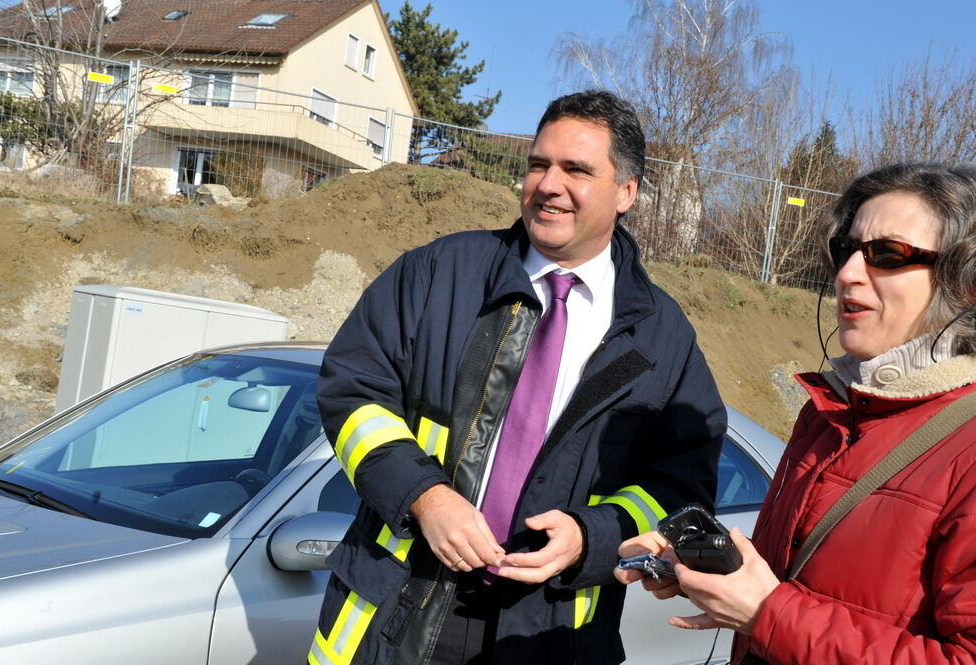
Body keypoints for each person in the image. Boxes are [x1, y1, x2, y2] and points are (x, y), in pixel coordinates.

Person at [307, 90, 726, 665]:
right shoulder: (440, 272)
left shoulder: (662, 335)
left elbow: (680, 482)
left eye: (576, 169)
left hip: (549, 632)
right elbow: (353, 390)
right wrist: (424, 498)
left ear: (626, 192)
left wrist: (591, 537)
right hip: (399, 607)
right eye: (538, 164)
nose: (548, 184)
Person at [616, 163, 976, 664]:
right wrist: (717, 574)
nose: (849, 273)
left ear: (966, 284)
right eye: (846, 250)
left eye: (887, 254)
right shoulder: (832, 410)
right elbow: (800, 582)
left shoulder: (975, 446)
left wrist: (766, 612)